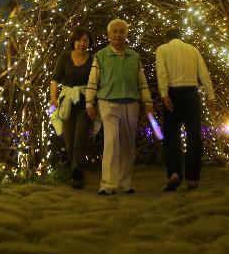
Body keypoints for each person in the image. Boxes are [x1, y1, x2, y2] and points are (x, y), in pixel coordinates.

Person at [85, 19, 154, 195]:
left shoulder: (134, 56)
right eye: (115, 31)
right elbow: (92, 81)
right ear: (109, 34)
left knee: (127, 144)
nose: (118, 35)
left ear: (126, 34)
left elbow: (142, 82)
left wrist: (148, 101)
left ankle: (125, 183)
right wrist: (89, 102)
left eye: (121, 31)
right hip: (108, 104)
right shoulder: (100, 56)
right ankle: (108, 184)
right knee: (111, 143)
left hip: (130, 103)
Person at [155, 29, 215, 191]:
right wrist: (210, 96)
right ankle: (193, 178)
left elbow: (162, 74)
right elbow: (203, 73)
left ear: (167, 38)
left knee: (172, 136)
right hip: (191, 94)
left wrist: (164, 94)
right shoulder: (193, 49)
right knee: (194, 135)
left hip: (173, 93)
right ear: (181, 38)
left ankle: (174, 172)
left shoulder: (162, 50)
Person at [50, 27, 94, 189]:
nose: (82, 44)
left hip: (84, 103)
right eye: (79, 40)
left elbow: (96, 82)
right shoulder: (64, 57)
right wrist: (53, 98)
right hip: (67, 103)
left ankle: (78, 175)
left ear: (89, 43)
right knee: (69, 142)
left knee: (79, 140)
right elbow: (55, 80)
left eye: (85, 40)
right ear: (73, 42)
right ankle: (75, 172)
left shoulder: (93, 60)